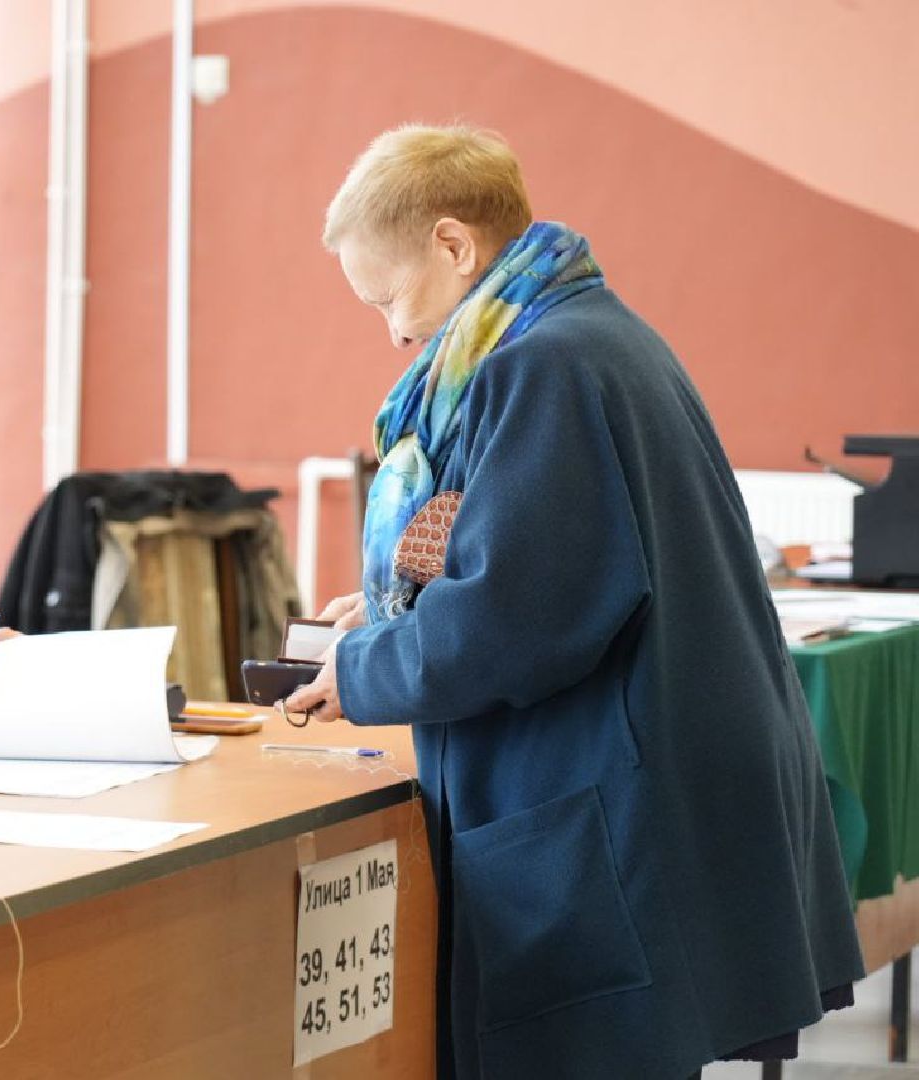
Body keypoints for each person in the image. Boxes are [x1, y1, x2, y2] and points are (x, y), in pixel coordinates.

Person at [284, 125, 863, 1078]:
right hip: (648, 771)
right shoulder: (591, 331)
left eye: (389, 296)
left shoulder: (535, 364)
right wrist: (390, 619)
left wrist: (358, 668)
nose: (392, 332)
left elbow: (515, 624)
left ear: (451, 244)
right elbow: (517, 547)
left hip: (603, 797)